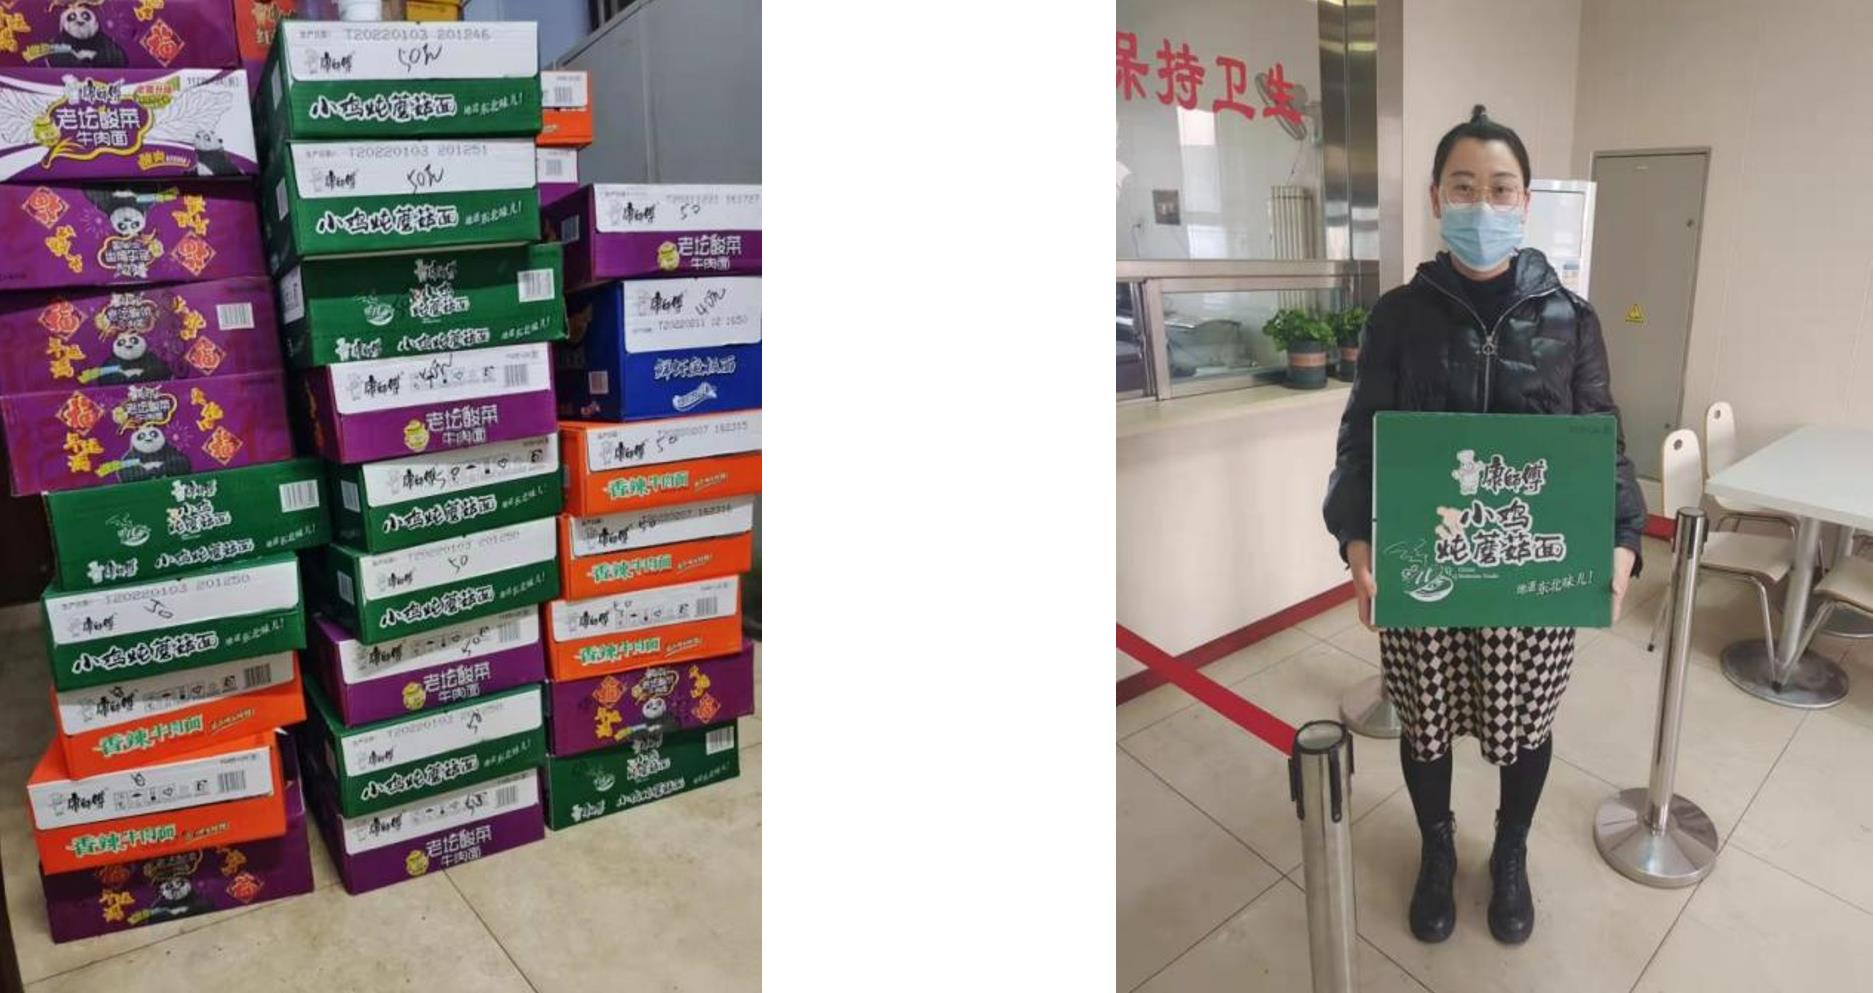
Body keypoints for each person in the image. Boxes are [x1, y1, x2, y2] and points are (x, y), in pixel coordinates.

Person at [1321, 105, 1647, 946]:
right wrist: (1356, 539)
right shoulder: (1398, 315)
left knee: (1526, 722)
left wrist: (1621, 540)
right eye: (1462, 187)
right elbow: (1360, 439)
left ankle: (1509, 850)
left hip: (1530, 568)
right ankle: (1436, 848)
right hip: (1425, 562)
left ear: (1525, 201)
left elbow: (1603, 440)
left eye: (1500, 189)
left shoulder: (1570, 318)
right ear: (1436, 198)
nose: (1482, 204)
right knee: (1424, 719)